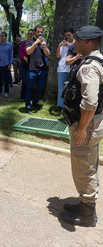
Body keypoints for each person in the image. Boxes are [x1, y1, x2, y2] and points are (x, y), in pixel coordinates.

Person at [60, 26, 103, 227]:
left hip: (87, 125)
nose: (73, 43)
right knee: (88, 162)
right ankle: (85, 202)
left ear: (87, 43)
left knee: (83, 164)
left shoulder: (90, 66)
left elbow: (90, 102)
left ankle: (86, 212)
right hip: (93, 123)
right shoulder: (96, 61)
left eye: (76, 40)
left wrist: (82, 128)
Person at [25, 25, 50, 114]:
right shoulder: (29, 42)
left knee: (40, 88)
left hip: (41, 70)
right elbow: (28, 52)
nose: (40, 33)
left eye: (41, 32)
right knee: (30, 88)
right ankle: (28, 106)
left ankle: (35, 103)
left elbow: (48, 54)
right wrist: (35, 43)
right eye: (38, 31)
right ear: (35, 32)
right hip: (31, 69)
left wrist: (43, 46)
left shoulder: (44, 43)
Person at [56, 28, 74, 108]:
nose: (67, 37)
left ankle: (70, 105)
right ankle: (61, 105)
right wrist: (59, 46)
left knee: (71, 87)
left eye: (69, 35)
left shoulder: (76, 43)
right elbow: (57, 56)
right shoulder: (62, 44)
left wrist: (69, 45)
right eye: (66, 35)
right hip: (62, 68)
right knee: (61, 87)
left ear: (73, 34)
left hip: (72, 68)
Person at [0, 31, 13, 98]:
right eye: (0, 36)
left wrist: (10, 63)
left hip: (6, 64)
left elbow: (11, 55)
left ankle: (6, 92)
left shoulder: (9, 45)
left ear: (6, 37)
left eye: (3, 36)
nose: (1, 37)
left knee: (6, 79)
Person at [19, 30, 33, 102]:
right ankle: (23, 96)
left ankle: (30, 97)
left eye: (31, 34)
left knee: (30, 81)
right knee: (24, 81)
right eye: (29, 34)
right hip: (24, 64)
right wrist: (26, 59)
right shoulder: (24, 43)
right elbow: (21, 53)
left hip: (32, 65)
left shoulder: (35, 43)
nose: (30, 35)